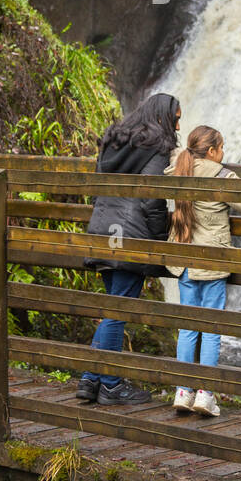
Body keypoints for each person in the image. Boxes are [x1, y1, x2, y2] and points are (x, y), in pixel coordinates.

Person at [76, 92, 181, 406]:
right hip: (131, 237)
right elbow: (152, 198)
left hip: (102, 229)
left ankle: (91, 379)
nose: (179, 123)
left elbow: (97, 188)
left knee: (112, 308)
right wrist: (160, 239)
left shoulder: (114, 140)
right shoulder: (158, 146)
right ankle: (110, 384)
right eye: (177, 116)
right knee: (118, 311)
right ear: (164, 116)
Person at [165, 125, 241, 418]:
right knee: (212, 328)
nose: (224, 153)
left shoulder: (179, 170)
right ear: (212, 151)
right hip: (212, 262)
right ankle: (205, 394)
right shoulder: (222, 176)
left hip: (184, 259)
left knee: (188, 325)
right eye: (221, 148)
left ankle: (182, 391)